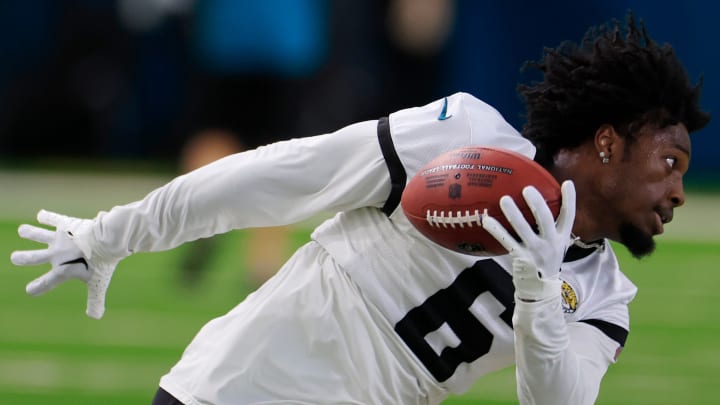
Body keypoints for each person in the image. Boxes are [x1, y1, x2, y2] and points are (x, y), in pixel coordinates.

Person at [10, 13, 709, 405]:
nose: (678, 191)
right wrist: (116, 233)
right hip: (240, 387)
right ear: (609, 141)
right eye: (669, 163)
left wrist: (539, 295)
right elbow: (281, 175)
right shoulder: (464, 136)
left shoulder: (603, 296)